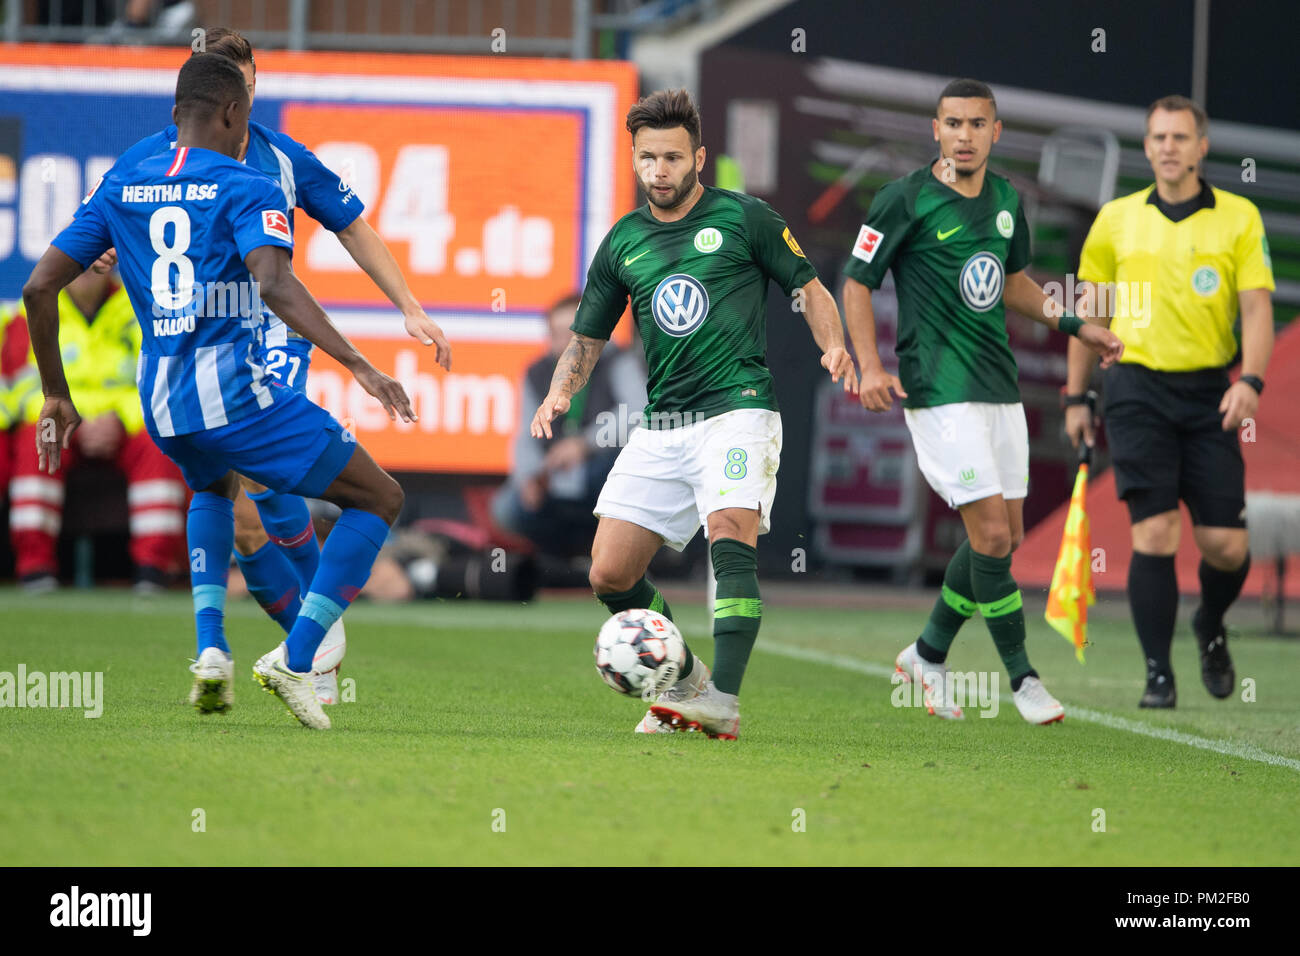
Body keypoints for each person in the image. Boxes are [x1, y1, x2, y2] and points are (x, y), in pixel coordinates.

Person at [24, 53, 416, 730]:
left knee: (214, 491)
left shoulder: (124, 179)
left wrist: (56, 394)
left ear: (176, 114)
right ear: (235, 114)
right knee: (379, 497)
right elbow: (276, 285)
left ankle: (212, 648)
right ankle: (300, 657)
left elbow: (38, 287)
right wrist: (358, 363)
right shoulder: (247, 185)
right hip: (234, 395)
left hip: (162, 404)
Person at [531, 88, 858, 740]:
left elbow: (810, 288)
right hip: (662, 427)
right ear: (634, 159)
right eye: (648, 157)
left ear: (699, 158)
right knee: (609, 573)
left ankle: (725, 701)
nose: (660, 170)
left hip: (737, 413)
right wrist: (560, 392)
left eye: (673, 157)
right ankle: (687, 684)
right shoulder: (623, 242)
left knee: (731, 529)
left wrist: (835, 345)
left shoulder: (745, 219)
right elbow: (589, 336)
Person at [841, 78, 1124, 725]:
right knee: (993, 535)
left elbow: (1014, 282)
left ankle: (925, 656)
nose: (963, 135)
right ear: (935, 130)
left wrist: (1078, 326)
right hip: (938, 391)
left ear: (996, 133)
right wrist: (870, 366)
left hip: (999, 386)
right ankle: (1023, 679)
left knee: (1007, 538)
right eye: (953, 123)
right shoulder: (903, 198)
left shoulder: (1004, 199)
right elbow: (858, 283)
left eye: (976, 124)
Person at [1066, 95, 1274, 709]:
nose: (1168, 147)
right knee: (1154, 533)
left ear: (1202, 146)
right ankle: (1159, 674)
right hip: (1135, 387)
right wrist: (1077, 395)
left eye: (1181, 137)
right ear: (1148, 145)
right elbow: (1090, 314)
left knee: (1226, 546)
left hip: (1211, 390)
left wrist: (1252, 381)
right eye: (1158, 137)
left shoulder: (1239, 217)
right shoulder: (1116, 219)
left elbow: (1257, 308)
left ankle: (1209, 623)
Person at [2, 268, 186, 592]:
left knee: (158, 442)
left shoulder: (141, 308)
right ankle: (35, 568)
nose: (87, 267)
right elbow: (20, 388)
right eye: (80, 258)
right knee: (39, 438)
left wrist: (120, 419)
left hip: (123, 422)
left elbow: (159, 382)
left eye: (97, 258)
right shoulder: (33, 308)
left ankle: (153, 570)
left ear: (113, 263)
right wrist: (73, 422)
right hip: (60, 420)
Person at [494, 292, 645, 566]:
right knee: (508, 506)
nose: (565, 343)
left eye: (572, 333)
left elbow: (638, 410)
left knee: (615, 476)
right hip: (554, 476)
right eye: (557, 334)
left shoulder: (616, 360)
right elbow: (525, 435)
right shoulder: (537, 372)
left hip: (603, 468)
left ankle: (613, 560)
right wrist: (529, 476)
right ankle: (564, 564)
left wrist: (584, 444)